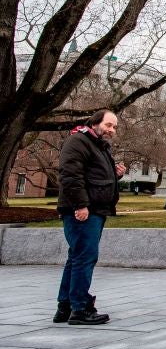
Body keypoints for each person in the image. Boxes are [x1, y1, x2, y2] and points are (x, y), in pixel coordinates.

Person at [54, 110, 126, 325]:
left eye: (114, 127)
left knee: (76, 257)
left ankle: (65, 306)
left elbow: (92, 174)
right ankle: (80, 308)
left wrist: (116, 174)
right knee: (84, 257)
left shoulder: (98, 145)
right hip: (84, 211)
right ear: (95, 122)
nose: (111, 130)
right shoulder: (78, 141)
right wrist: (81, 205)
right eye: (108, 125)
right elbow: (70, 175)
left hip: (95, 209)